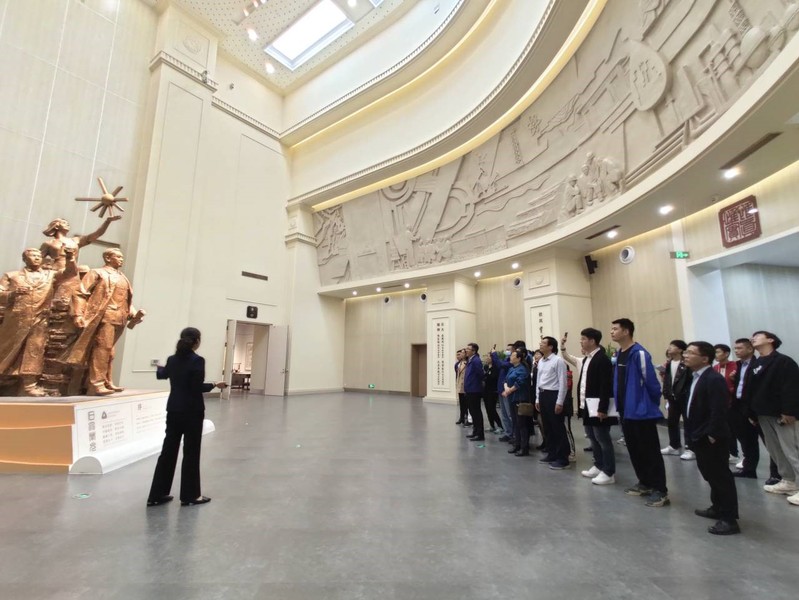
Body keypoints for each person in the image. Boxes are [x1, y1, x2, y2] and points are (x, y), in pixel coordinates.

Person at [147, 327, 226, 507]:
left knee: (168, 451)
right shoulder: (197, 360)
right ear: (197, 341)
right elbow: (196, 387)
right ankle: (191, 495)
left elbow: (162, 375)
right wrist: (215, 384)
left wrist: (159, 367)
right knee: (191, 452)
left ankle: (157, 494)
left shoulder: (172, 359)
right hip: (192, 411)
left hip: (174, 409)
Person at [0, 248, 76, 395]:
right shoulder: (12, 276)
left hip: (39, 319)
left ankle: (29, 385)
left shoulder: (50, 275)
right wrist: (13, 293)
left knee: (34, 350)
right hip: (15, 320)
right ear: (25, 259)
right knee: (7, 349)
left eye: (38, 255)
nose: (36, 258)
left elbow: (70, 273)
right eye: (32, 255)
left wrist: (70, 258)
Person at [683, 342, 741, 535]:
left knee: (720, 477)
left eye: (691, 353)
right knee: (710, 475)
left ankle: (729, 519)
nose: (686, 355)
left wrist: (712, 434)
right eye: (686, 352)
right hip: (699, 434)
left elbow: (719, 409)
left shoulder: (713, 379)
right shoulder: (696, 376)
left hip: (711, 437)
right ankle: (717, 508)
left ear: (705, 358)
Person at [68, 248, 144, 395]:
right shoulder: (97, 273)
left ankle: (107, 381)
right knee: (102, 349)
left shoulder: (123, 277)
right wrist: (78, 314)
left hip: (120, 318)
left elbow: (125, 300)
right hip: (104, 317)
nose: (121, 259)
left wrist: (134, 313)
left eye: (122, 257)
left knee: (110, 352)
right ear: (108, 258)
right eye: (118, 257)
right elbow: (80, 293)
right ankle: (96, 384)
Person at [610, 318, 669, 507]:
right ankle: (645, 482)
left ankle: (660, 490)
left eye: (615, 329)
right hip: (625, 411)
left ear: (626, 331)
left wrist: (647, 404)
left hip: (641, 412)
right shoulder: (619, 353)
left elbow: (652, 383)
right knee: (635, 450)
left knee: (650, 451)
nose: (612, 332)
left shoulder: (639, 353)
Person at [748, 331, 799, 506]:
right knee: (775, 450)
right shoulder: (756, 363)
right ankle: (789, 481)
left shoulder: (783, 361)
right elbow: (751, 390)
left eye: (758, 336)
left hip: (782, 414)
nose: (753, 338)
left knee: (792, 450)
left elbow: (792, 387)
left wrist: (789, 411)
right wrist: (751, 413)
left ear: (770, 340)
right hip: (763, 413)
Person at [564, 328, 617, 485]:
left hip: (597, 407)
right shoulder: (587, 359)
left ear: (592, 341)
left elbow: (605, 386)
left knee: (603, 439)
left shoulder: (602, 359)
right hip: (586, 405)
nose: (580, 341)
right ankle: (598, 465)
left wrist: (602, 408)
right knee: (592, 437)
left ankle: (609, 471)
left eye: (583, 339)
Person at [730, 338, 781, 482]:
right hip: (739, 406)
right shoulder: (738, 365)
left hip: (755, 408)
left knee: (769, 442)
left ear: (750, 349)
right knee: (746, 440)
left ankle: (776, 474)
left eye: (740, 348)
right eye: (735, 348)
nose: (736, 351)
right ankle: (749, 469)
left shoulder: (758, 364)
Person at [535, 336, 570, 470]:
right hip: (543, 394)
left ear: (551, 347)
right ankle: (552, 453)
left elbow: (563, 383)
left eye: (543, 343)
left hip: (553, 395)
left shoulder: (558, 361)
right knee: (547, 427)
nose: (540, 344)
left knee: (557, 427)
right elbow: (539, 381)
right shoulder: (541, 361)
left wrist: (559, 402)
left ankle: (563, 458)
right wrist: (537, 398)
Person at [659, 340, 690, 458]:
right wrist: (666, 394)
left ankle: (690, 447)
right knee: (672, 422)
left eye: (673, 346)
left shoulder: (686, 363)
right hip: (672, 397)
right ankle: (674, 445)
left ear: (680, 349)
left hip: (684, 397)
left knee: (688, 423)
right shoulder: (669, 363)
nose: (669, 348)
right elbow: (667, 381)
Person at [503, 349, 531, 456]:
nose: (510, 357)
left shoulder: (523, 369)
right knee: (515, 422)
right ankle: (517, 444)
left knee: (521, 424)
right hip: (511, 398)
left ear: (519, 358)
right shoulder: (511, 368)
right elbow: (505, 380)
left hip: (520, 398)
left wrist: (509, 390)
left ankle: (524, 447)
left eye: (513, 356)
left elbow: (520, 382)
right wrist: (506, 388)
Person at [464, 343, 486, 441]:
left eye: (468, 349)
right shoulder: (470, 360)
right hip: (469, 390)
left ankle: (480, 434)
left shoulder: (476, 360)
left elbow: (480, 374)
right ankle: (475, 431)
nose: (466, 350)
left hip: (474, 390)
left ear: (474, 351)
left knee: (476, 412)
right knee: (473, 412)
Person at [482, 353, 503, 433]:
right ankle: (492, 425)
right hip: (486, 390)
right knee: (487, 409)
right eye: (486, 356)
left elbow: (492, 377)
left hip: (493, 390)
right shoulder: (486, 367)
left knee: (492, 408)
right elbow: (484, 377)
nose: (487, 358)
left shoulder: (496, 367)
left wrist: (486, 375)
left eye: (489, 356)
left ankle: (500, 426)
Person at [454, 349, 469, 425]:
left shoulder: (468, 362)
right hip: (460, 385)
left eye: (462, 353)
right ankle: (461, 418)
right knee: (461, 403)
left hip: (465, 385)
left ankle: (467, 418)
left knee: (466, 403)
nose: (461, 355)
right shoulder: (458, 363)